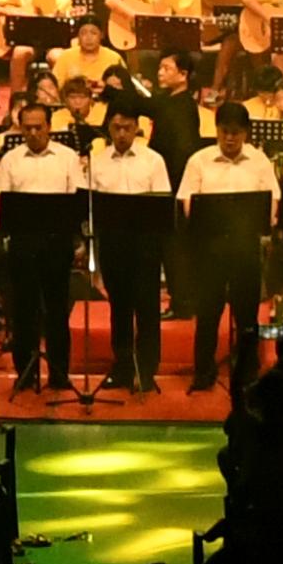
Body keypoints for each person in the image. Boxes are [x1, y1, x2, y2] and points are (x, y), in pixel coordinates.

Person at [177, 108, 280, 392]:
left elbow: (272, 201)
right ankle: (203, 372)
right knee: (208, 312)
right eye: (224, 131)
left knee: (247, 314)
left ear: (246, 133)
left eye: (236, 132)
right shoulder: (199, 160)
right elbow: (187, 202)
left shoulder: (259, 162)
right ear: (217, 129)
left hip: (246, 246)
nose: (230, 137)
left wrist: (263, 224)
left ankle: (247, 371)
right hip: (209, 247)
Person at [0, 108, 88, 392]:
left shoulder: (67, 157)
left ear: (48, 127)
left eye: (38, 127)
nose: (33, 133)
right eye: (27, 128)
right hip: (23, 242)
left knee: (57, 309)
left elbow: (76, 200)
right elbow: (2, 202)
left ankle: (58, 373)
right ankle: (26, 372)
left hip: (57, 242)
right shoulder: (11, 159)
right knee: (24, 310)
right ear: (21, 129)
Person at [85, 104, 173, 392]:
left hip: (145, 242)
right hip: (113, 241)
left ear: (137, 127)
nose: (122, 134)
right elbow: (92, 208)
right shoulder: (97, 161)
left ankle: (147, 369)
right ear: (108, 129)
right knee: (119, 306)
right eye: (116, 128)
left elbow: (162, 204)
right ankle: (122, 366)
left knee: (147, 306)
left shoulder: (154, 160)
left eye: (127, 128)